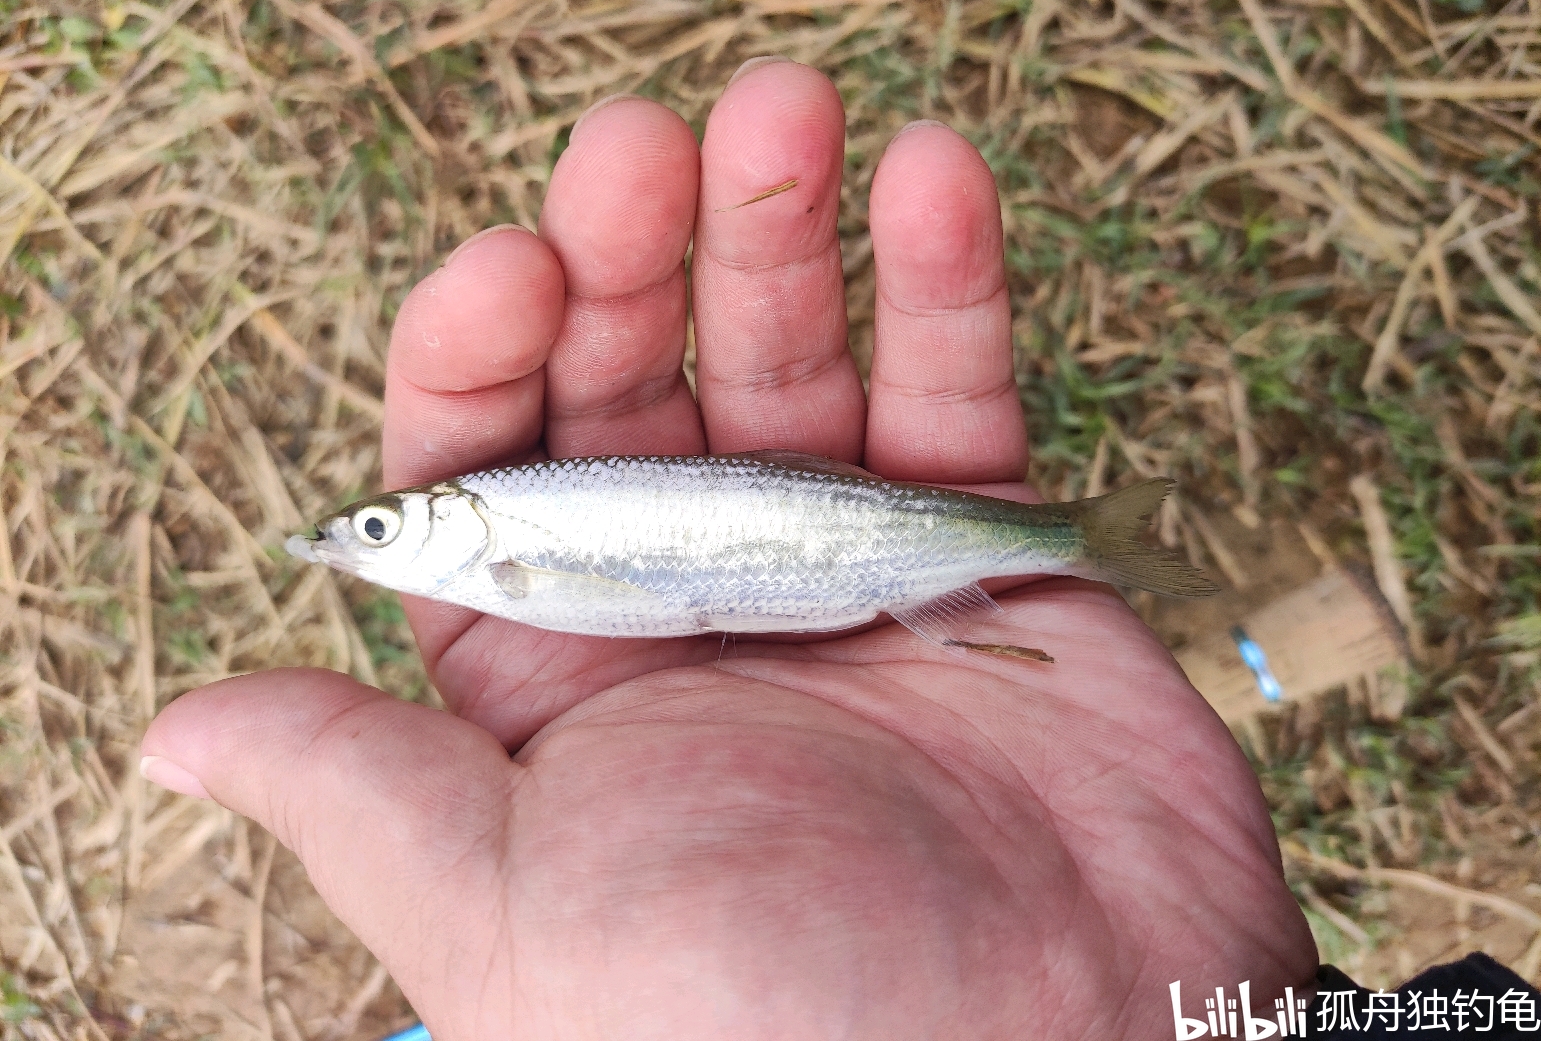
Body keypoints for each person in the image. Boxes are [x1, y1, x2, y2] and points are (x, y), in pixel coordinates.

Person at [143, 57, 1449, 1038]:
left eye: (376, 529)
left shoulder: (489, 541)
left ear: (444, 528)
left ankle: (1087, 545)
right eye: (369, 530)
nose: (357, 542)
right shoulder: (493, 539)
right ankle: (1087, 546)